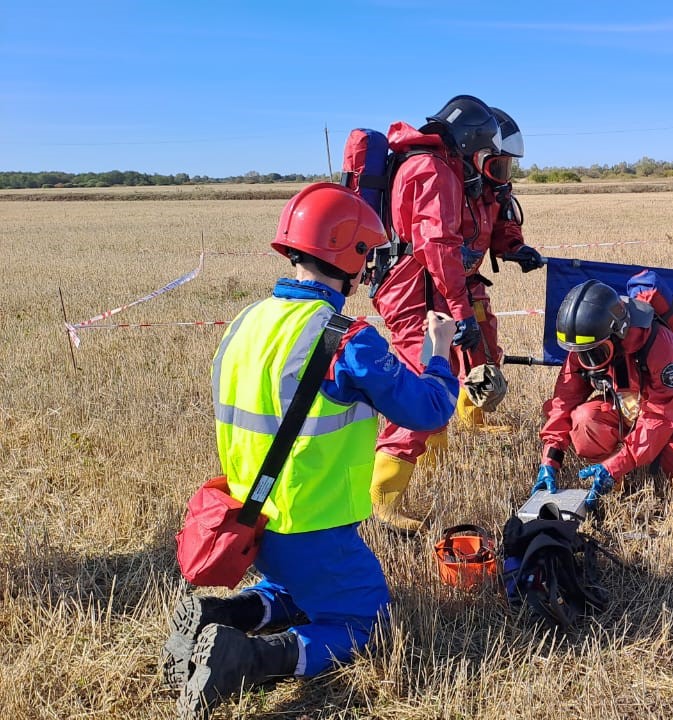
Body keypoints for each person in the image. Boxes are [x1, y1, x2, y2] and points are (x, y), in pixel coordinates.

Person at [162, 183, 460, 719]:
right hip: (312, 522)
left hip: (253, 520)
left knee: (296, 590)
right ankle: (248, 657)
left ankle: (219, 615)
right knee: (366, 622)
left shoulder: (246, 322)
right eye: (368, 256)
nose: (369, 270)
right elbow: (429, 410)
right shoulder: (346, 338)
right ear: (351, 253)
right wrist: (439, 353)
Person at [369, 95, 544, 533]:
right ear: (475, 145)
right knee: (420, 379)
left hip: (449, 282)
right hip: (416, 290)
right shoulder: (432, 170)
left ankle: (460, 429)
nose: (501, 173)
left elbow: (485, 220)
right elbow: (437, 246)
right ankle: (384, 500)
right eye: (496, 162)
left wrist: (514, 248)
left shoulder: (461, 172)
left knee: (479, 348)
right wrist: (459, 313)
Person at [533, 279, 673, 506]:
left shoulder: (660, 345)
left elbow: (659, 418)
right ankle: (612, 479)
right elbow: (563, 403)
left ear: (618, 334)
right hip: (623, 406)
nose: (589, 362)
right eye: (582, 354)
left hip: (671, 415)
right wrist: (549, 460)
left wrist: (618, 463)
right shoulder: (588, 343)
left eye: (596, 354)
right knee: (584, 420)